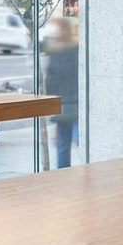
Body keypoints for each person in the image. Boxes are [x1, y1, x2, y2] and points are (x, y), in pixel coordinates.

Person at [46, 17, 79, 168]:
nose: (58, 32)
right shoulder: (55, 51)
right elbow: (51, 79)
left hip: (75, 101)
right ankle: (63, 172)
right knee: (64, 142)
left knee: (71, 140)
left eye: (61, 28)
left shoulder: (75, 49)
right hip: (64, 102)